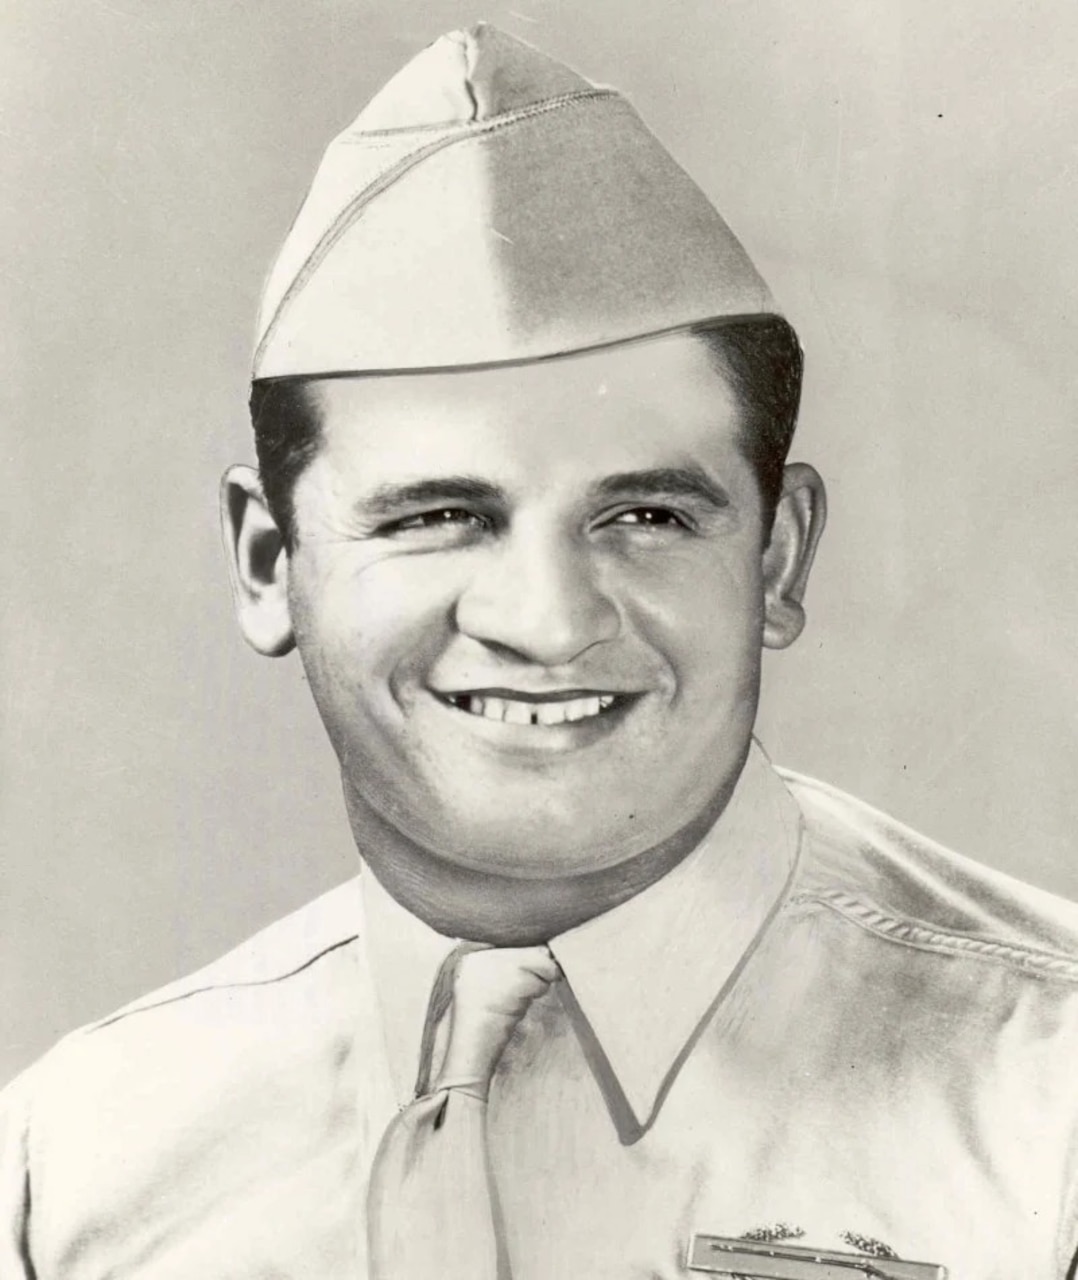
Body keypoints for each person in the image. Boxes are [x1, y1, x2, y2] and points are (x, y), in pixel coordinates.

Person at [2, 23, 1076, 1280]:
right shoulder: (79, 1160)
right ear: (266, 558)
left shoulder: (1047, 1106)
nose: (551, 619)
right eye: (438, 516)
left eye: (646, 516)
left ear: (777, 556)